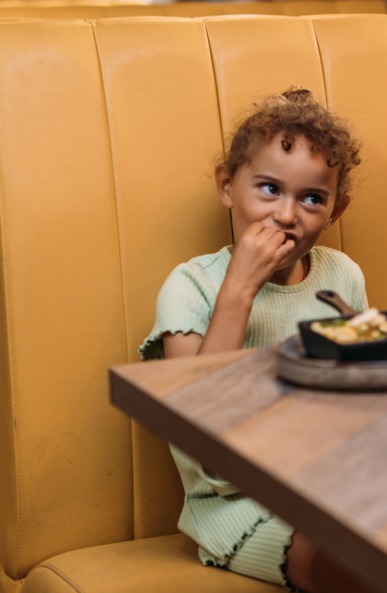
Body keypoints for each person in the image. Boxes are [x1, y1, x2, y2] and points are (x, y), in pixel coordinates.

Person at [139, 89, 371, 592]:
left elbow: (363, 391)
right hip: (239, 508)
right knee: (354, 565)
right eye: (269, 189)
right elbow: (198, 434)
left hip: (333, 488)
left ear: (336, 209)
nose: (287, 216)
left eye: (312, 198)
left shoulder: (342, 276)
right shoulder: (191, 287)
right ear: (227, 185)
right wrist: (240, 288)